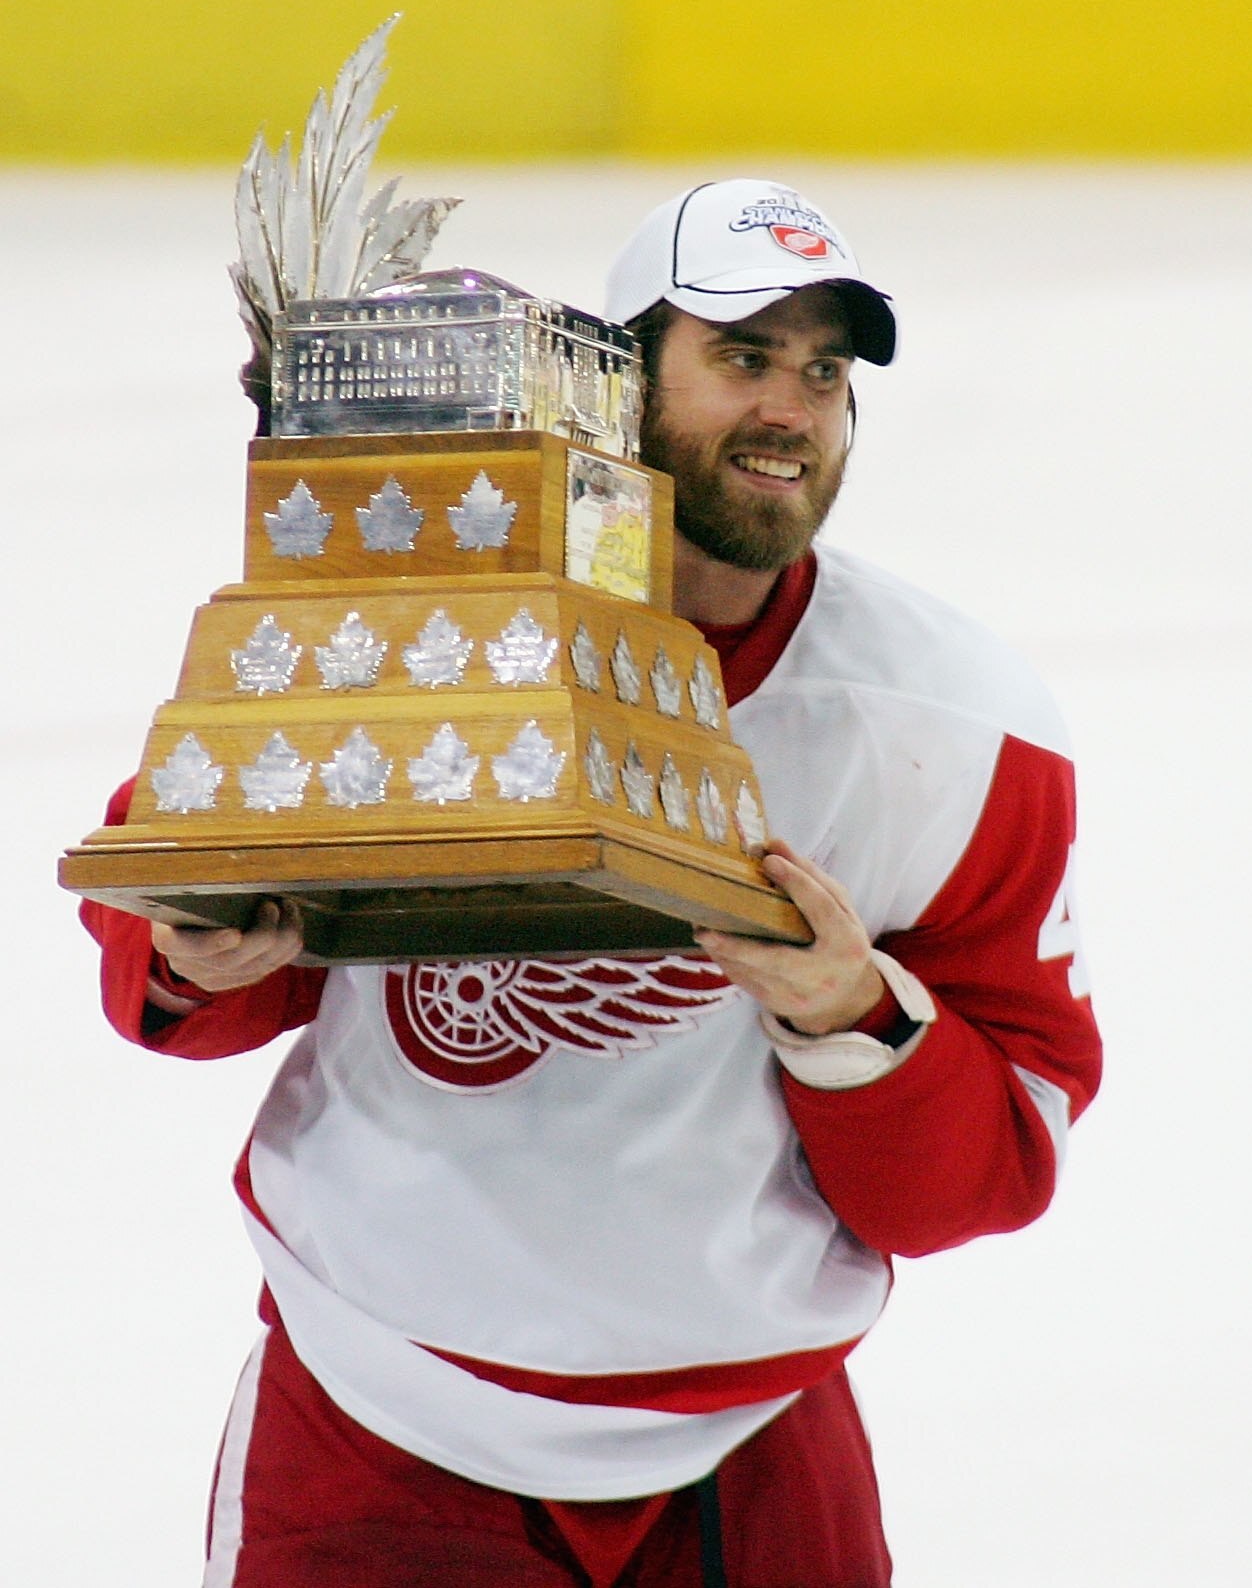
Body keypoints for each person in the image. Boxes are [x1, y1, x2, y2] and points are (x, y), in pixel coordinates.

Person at [81, 179, 1102, 1588]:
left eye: (825, 371)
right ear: (618, 384)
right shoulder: (430, 623)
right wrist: (205, 949)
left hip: (754, 1453)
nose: (793, 411)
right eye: (743, 359)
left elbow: (989, 1168)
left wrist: (861, 1022)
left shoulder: (962, 733)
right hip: (376, 1428)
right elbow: (172, 909)